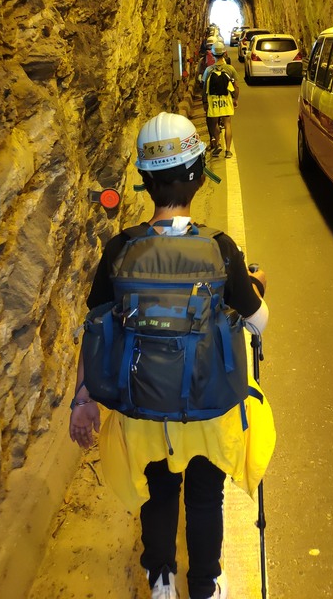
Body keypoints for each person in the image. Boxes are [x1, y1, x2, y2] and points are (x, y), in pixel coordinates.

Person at [69, 112, 270, 599]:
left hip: (144, 403)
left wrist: (83, 399)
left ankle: (160, 581)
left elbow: (93, 328)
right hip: (206, 401)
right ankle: (205, 584)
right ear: (199, 176)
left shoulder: (119, 250)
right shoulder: (222, 251)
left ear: (145, 182)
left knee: (159, 492)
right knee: (205, 495)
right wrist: (256, 287)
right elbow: (259, 323)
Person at [201, 41, 239, 159]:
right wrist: (235, 99)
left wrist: (205, 102)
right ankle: (228, 150)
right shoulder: (230, 69)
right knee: (227, 124)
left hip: (212, 99)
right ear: (224, 53)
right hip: (225, 98)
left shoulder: (208, 70)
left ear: (212, 55)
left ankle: (217, 144)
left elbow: (204, 88)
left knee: (214, 123)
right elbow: (236, 86)